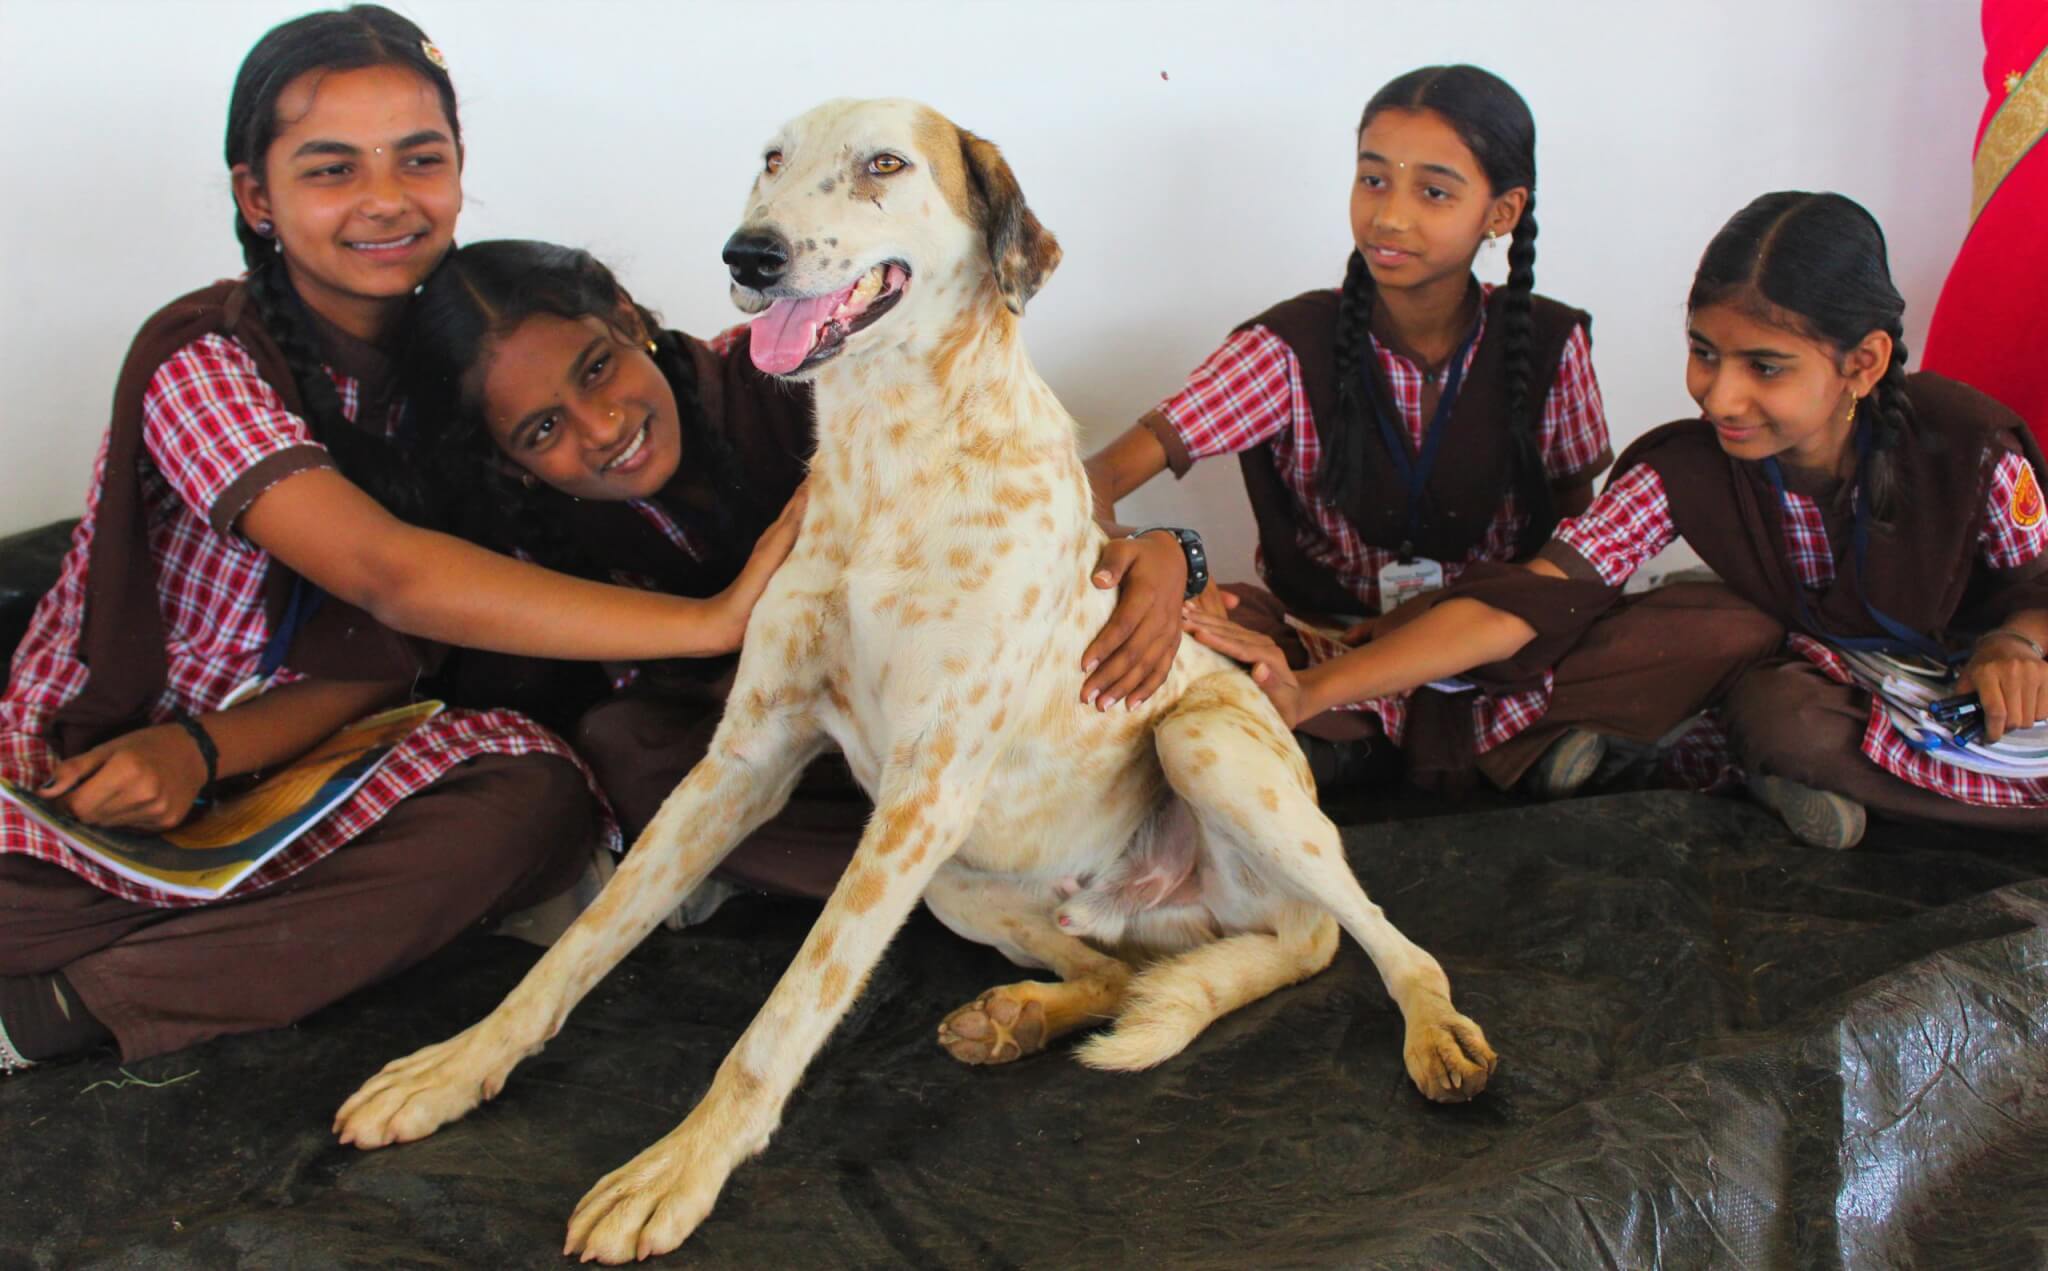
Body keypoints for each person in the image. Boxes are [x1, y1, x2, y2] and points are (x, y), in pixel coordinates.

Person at [0, 8, 799, 1072]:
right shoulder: (204, 356)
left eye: (418, 159)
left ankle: (61, 1009)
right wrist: (714, 621)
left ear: (459, 166)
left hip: (318, 754)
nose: (385, 200)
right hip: (117, 745)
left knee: (538, 800)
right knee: (40, 869)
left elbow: (399, 665)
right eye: (331, 170)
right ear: (257, 196)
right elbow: (386, 577)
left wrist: (214, 757)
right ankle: (170, 945)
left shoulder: (474, 358)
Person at [1191, 191, 2048, 851]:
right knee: (1767, 697)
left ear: (1862, 363)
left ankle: (1893, 801)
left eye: (1766, 366)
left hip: (1990, 698)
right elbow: (1529, 598)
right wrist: (1314, 687)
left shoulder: (1968, 447)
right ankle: (1817, 784)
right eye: (1703, 352)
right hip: (1832, 690)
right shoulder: (1686, 464)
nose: (1720, 394)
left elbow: (2039, 585)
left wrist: (2016, 644)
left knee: (1762, 688)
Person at [402, 239, 1199, 899]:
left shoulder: (804, 379)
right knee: (628, 752)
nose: (603, 426)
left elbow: (1016, 503)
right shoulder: (537, 542)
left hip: (963, 706)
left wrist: (1169, 555)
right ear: (507, 464)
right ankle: (955, 892)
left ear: (623, 315)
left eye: (598, 370)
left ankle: (1059, 851)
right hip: (822, 755)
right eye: (543, 429)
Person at [1089, 65, 1772, 795]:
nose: (1389, 216)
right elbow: (1093, 480)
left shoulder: (1549, 342)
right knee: (1202, 622)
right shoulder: (1287, 347)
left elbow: (1577, 555)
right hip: (1320, 645)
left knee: (1729, 620)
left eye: (1434, 191)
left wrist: (1452, 622)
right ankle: (1518, 751)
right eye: (1373, 180)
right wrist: (1159, 555)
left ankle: (1413, 745)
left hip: (1489, 655)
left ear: (1502, 211)